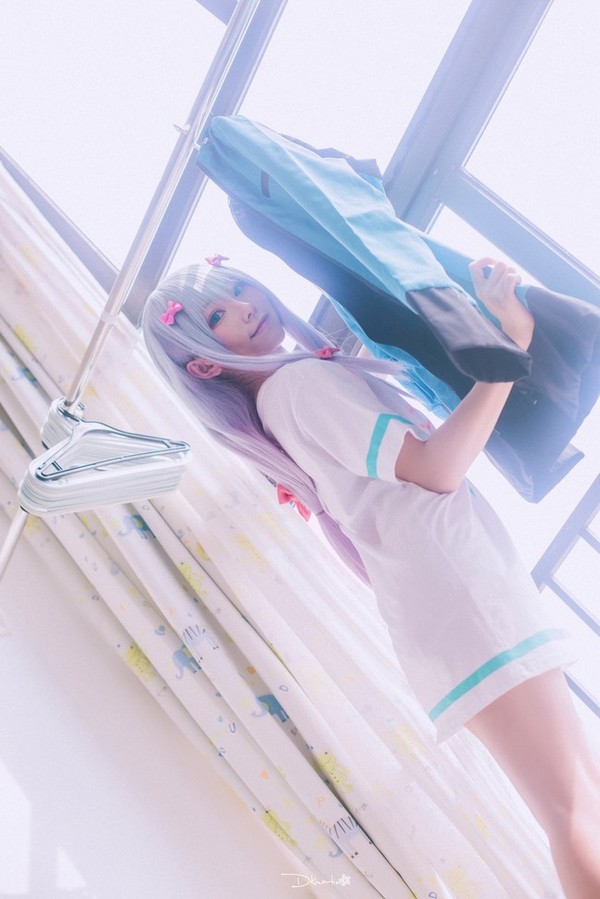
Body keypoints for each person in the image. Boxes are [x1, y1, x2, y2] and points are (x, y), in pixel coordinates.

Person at [142, 255, 600, 898]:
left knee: (580, 802)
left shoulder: (286, 398)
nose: (245, 305)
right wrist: (510, 348)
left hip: (456, 599)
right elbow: (436, 467)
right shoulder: (296, 388)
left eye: (240, 287)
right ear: (203, 365)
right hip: (464, 594)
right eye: (218, 314)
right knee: (573, 807)